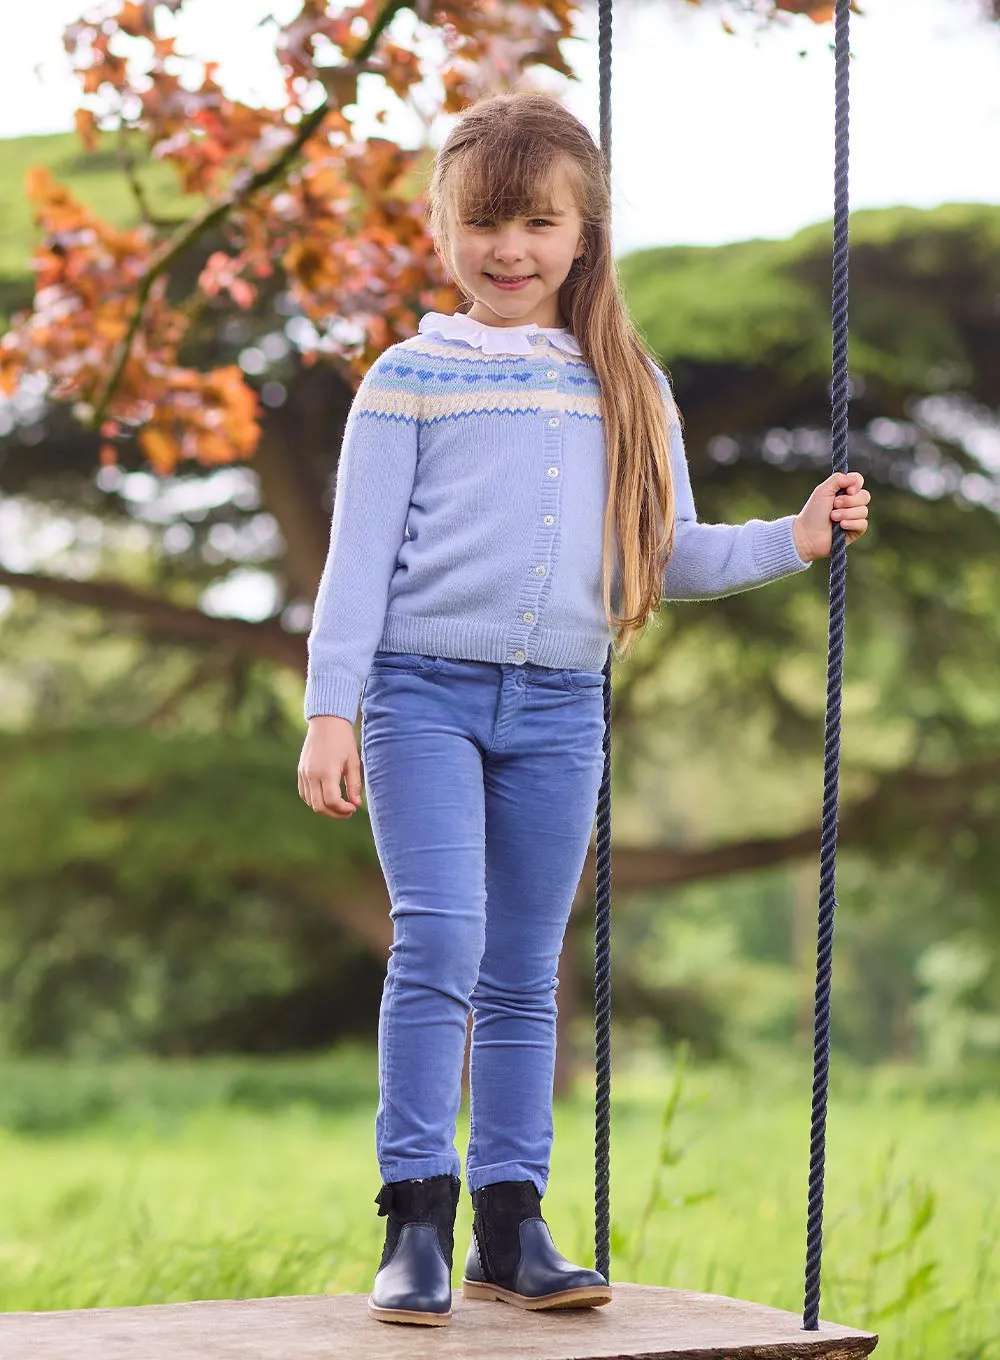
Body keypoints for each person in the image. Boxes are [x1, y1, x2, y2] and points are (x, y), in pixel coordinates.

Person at [297, 91, 871, 1328]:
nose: (510, 249)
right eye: (484, 223)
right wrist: (329, 708)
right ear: (445, 231)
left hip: (562, 706)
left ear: (583, 232)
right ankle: (413, 1221)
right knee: (439, 942)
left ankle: (513, 1224)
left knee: (521, 969)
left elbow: (668, 556)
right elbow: (354, 561)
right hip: (419, 694)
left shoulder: (626, 381)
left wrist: (796, 535)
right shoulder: (411, 376)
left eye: (538, 223)